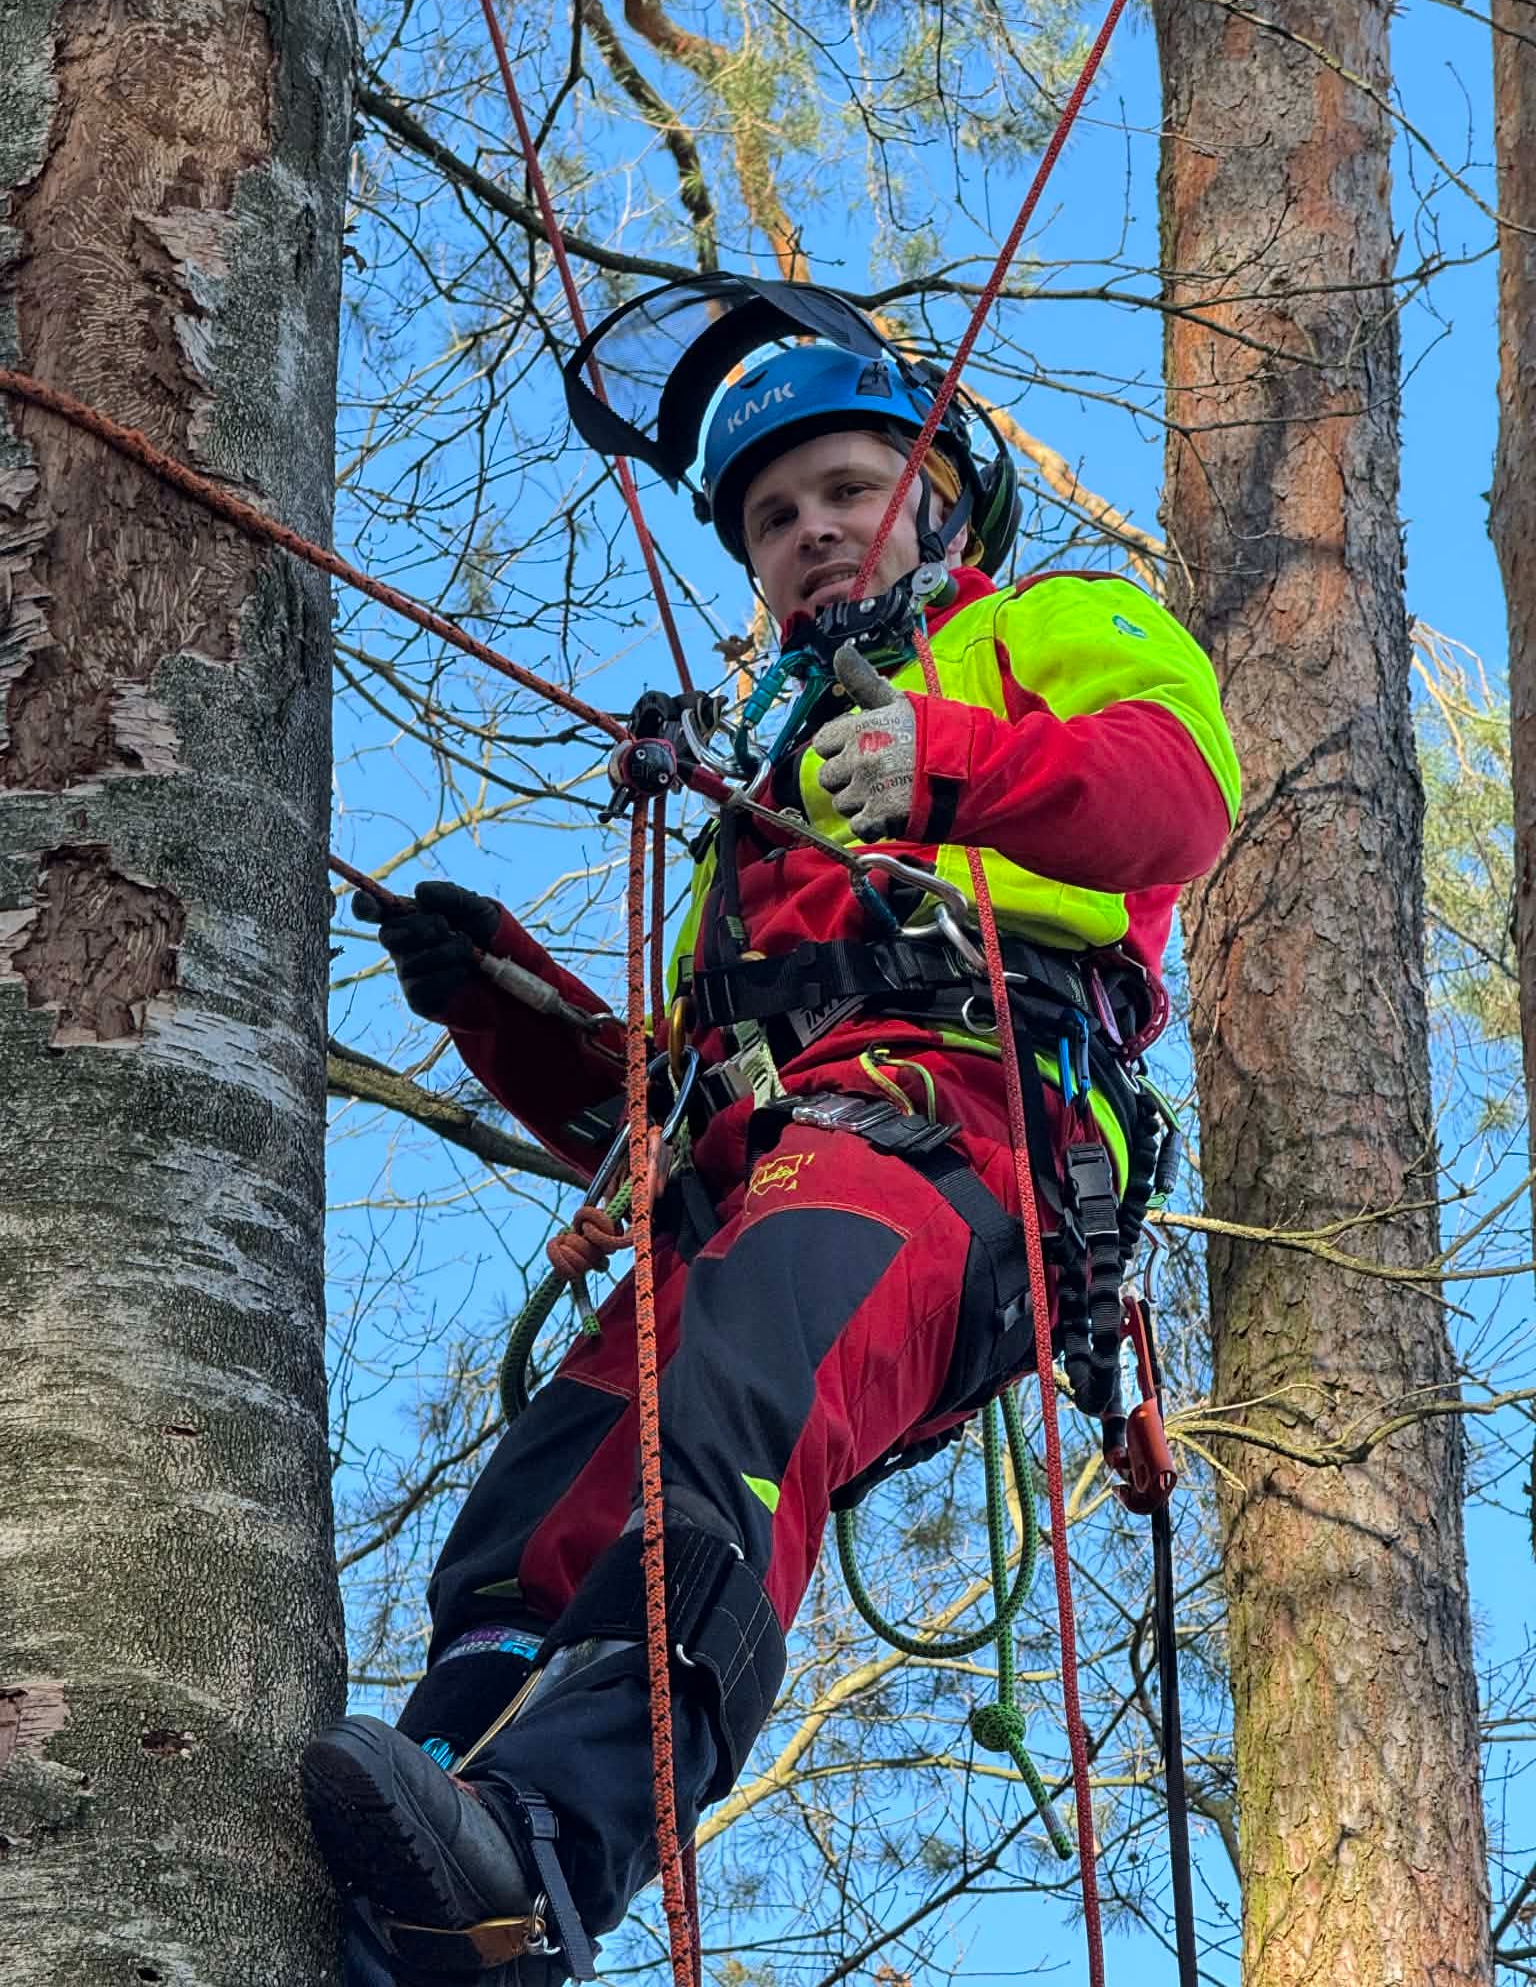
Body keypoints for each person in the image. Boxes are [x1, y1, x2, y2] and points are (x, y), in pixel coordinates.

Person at [302, 299, 1241, 1986]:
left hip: (964, 1141)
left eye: (846, 489)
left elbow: (1173, 799)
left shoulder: (1050, 630)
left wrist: (945, 765)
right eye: (771, 517)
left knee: (721, 1420)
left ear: (943, 502)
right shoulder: (763, 802)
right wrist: (502, 1005)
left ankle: (539, 1865)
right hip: (763, 1169)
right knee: (534, 1506)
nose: (808, 531)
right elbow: (656, 1111)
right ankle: (426, 1824)